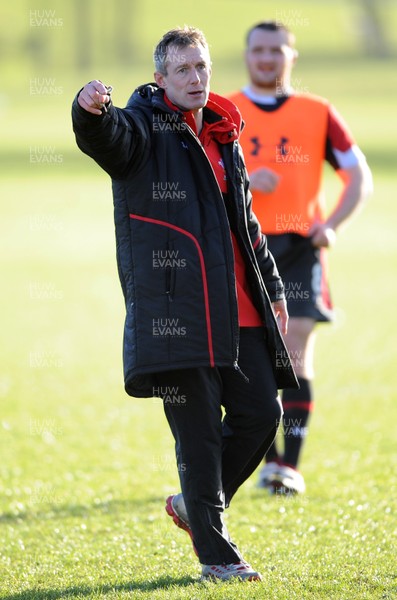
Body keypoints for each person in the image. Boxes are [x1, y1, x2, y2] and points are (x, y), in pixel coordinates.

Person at [72, 26, 298, 581]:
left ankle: (189, 506)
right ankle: (217, 558)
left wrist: (271, 287)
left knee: (262, 416)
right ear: (160, 79)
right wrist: (90, 112)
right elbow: (110, 139)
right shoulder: (143, 127)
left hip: (241, 309)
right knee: (197, 439)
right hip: (180, 315)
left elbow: (247, 224)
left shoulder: (224, 131)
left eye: (202, 68)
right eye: (183, 71)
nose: (196, 79)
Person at [229, 21, 372, 494]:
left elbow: (359, 177)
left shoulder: (318, 112)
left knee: (294, 353)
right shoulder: (225, 111)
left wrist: (331, 225)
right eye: (258, 50)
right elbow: (199, 178)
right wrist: (247, 176)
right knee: (253, 358)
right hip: (244, 247)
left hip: (298, 249)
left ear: (292, 55)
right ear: (247, 55)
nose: (267, 58)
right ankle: (264, 463)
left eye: (276, 50)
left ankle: (288, 467)